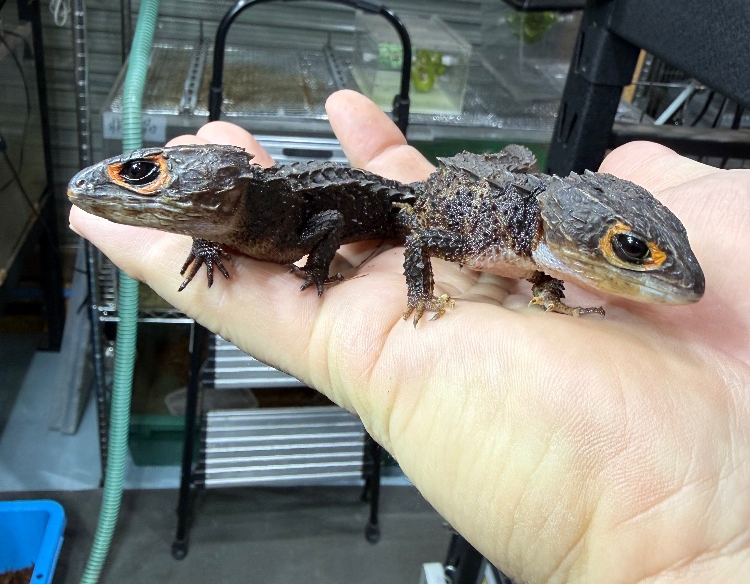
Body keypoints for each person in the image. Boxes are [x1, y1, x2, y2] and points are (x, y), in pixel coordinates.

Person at [70, 89, 750, 581]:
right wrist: (420, 291)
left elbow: (478, 243)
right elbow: (425, 234)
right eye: (630, 249)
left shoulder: (532, 241)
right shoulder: (493, 234)